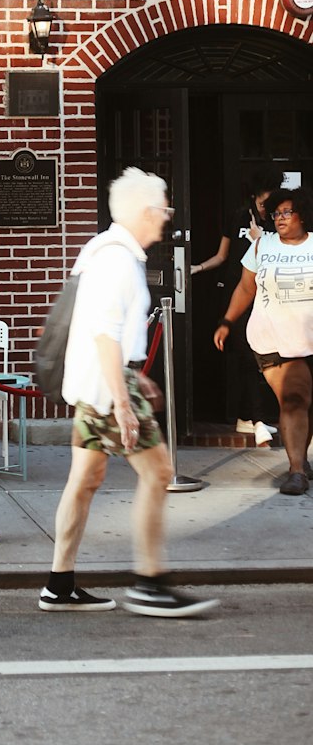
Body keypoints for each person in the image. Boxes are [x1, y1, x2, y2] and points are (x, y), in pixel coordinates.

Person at [39, 168, 217, 617]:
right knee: (159, 474)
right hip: (105, 388)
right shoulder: (117, 259)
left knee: (84, 481)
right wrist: (123, 402)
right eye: (164, 209)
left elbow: (99, 330)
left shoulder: (105, 251)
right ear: (145, 210)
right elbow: (103, 333)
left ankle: (59, 585)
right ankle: (150, 583)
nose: (166, 218)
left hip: (97, 385)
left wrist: (133, 377)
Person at [214, 185, 313, 495]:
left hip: (309, 337)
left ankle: (300, 458)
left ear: (303, 215)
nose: (280, 218)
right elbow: (246, 289)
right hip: (270, 338)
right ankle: (296, 469)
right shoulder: (262, 246)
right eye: (276, 213)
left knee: (305, 403)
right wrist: (227, 321)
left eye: (287, 212)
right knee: (293, 398)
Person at [192, 168, 281, 443]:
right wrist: (198, 267)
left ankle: (247, 418)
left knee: (263, 357)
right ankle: (257, 422)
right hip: (238, 297)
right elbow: (222, 255)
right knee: (247, 356)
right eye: (264, 202)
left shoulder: (278, 222)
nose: (268, 208)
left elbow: (278, 256)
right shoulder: (239, 217)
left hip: (267, 298)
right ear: (255, 197)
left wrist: (259, 238)